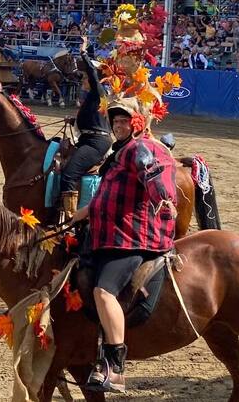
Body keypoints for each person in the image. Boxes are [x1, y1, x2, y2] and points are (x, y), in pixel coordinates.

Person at [71, 97, 176, 393]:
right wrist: (76, 217)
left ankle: (114, 366)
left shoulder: (139, 149)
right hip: (110, 236)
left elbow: (152, 173)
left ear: (137, 123)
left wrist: (163, 197)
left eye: (124, 121)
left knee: (103, 292)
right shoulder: (121, 151)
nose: (118, 126)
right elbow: (104, 197)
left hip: (131, 239)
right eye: (115, 121)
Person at [59, 36, 111, 220]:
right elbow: (92, 120)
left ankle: (71, 219)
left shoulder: (99, 91)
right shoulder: (94, 97)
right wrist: (73, 121)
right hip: (90, 139)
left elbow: (91, 71)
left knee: (68, 175)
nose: (83, 79)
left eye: (86, 77)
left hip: (96, 142)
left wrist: (83, 51)